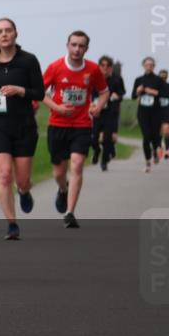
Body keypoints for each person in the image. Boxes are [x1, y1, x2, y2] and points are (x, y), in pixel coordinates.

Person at [0, 18, 44, 240]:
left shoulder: (28, 61)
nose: (4, 35)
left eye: (8, 31)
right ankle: (12, 224)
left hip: (24, 126)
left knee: (22, 180)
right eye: (0, 31)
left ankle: (24, 191)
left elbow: (40, 93)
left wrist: (19, 90)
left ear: (16, 34)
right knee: (4, 176)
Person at [42, 31, 109, 228]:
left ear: (86, 49)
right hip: (57, 125)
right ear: (67, 45)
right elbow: (40, 92)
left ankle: (70, 212)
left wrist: (98, 106)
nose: (77, 49)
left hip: (81, 124)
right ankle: (63, 190)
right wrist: (57, 107)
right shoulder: (55, 67)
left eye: (81, 46)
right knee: (58, 173)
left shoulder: (93, 69)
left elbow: (104, 92)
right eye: (74, 45)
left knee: (77, 164)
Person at [91, 56, 126, 171]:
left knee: (107, 138)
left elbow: (122, 93)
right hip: (97, 111)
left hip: (111, 112)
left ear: (111, 67)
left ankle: (104, 161)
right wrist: (91, 103)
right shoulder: (94, 78)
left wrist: (118, 96)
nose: (105, 68)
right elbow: (89, 93)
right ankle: (97, 151)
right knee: (93, 138)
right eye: (103, 65)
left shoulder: (117, 79)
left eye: (108, 66)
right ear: (99, 66)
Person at [132, 57, 166, 172]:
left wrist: (152, 91)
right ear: (143, 66)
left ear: (154, 66)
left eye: (151, 65)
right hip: (143, 112)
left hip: (156, 111)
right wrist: (138, 91)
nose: (149, 67)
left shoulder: (158, 80)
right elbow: (133, 96)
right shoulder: (139, 79)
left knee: (155, 136)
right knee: (146, 136)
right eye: (147, 65)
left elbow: (164, 94)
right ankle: (147, 162)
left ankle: (156, 151)